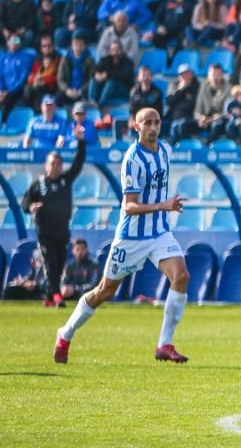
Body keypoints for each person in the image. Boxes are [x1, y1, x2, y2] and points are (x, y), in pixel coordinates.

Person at [55, 107, 190, 363]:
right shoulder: (133, 159)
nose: (153, 127)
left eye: (156, 122)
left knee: (181, 276)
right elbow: (129, 206)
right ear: (136, 127)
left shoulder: (165, 150)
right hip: (131, 237)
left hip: (160, 231)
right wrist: (163, 205)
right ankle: (66, 332)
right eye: (147, 122)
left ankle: (164, 344)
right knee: (104, 291)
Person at [21, 124, 86, 304]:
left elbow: (78, 163)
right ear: (46, 165)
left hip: (62, 228)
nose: (56, 167)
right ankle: (57, 296)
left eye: (58, 164)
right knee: (50, 261)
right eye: (52, 164)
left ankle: (50, 296)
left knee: (60, 262)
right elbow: (25, 202)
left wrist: (80, 142)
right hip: (45, 230)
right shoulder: (38, 184)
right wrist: (31, 207)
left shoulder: (66, 179)